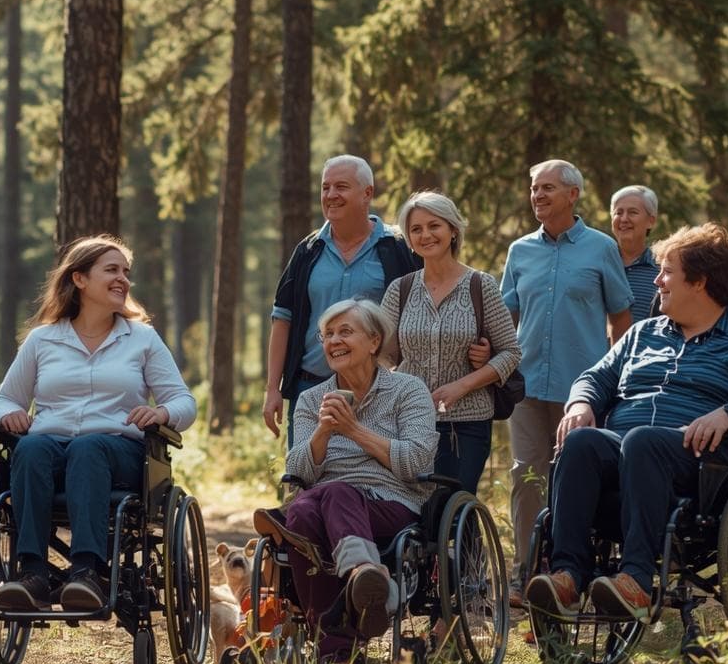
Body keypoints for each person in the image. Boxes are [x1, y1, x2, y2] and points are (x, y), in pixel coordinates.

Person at [524, 224, 728, 619]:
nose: (657, 281)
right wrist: (581, 403)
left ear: (699, 282)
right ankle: (567, 577)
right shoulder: (642, 334)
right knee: (581, 442)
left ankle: (635, 580)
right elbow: (595, 378)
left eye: (667, 272)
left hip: (699, 463)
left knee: (642, 440)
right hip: (622, 453)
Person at [0, 236, 197, 612]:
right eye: (111, 270)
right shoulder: (42, 340)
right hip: (50, 449)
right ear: (79, 278)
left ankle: (87, 572)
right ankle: (33, 574)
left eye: (126, 272)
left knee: (88, 448)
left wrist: (162, 414)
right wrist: (8, 414)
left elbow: (184, 402)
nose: (123, 279)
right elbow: (3, 400)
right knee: (29, 447)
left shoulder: (141, 339)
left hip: (119, 453)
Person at [253, 298, 439, 664]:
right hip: (325, 507)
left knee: (316, 503)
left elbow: (418, 461)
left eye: (345, 332)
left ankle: (356, 583)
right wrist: (322, 432)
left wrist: (354, 430)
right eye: (328, 335)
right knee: (309, 508)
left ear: (374, 341)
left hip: (391, 500)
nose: (334, 341)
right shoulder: (311, 400)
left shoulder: (408, 390)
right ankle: (341, 644)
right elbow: (298, 472)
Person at [497, 159, 632, 603]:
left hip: (582, 392)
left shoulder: (602, 248)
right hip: (527, 386)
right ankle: (526, 573)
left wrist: (617, 378)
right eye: (534, 188)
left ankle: (571, 570)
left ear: (573, 195)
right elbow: (506, 318)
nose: (537, 195)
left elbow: (621, 318)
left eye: (547, 188)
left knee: (575, 482)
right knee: (526, 476)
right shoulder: (520, 251)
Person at [265, 155, 420, 445]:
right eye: (326, 187)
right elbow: (283, 318)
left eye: (341, 187)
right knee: (305, 470)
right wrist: (273, 387)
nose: (331, 195)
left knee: (373, 471)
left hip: (378, 393)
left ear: (367, 193)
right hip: (310, 389)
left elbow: (422, 308)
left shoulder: (397, 248)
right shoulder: (308, 250)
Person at [380, 191, 520, 497]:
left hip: (466, 425)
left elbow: (511, 353)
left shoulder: (481, 285)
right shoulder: (400, 290)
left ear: (453, 230)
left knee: (451, 505)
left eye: (434, 226)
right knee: (413, 508)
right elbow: (381, 356)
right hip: (410, 422)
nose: (425, 235)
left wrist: (462, 386)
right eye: (416, 229)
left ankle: (464, 532)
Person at [610, 184, 660, 322]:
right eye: (618, 213)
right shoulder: (597, 262)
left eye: (632, 212)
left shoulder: (663, 270)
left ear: (651, 221)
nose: (624, 219)